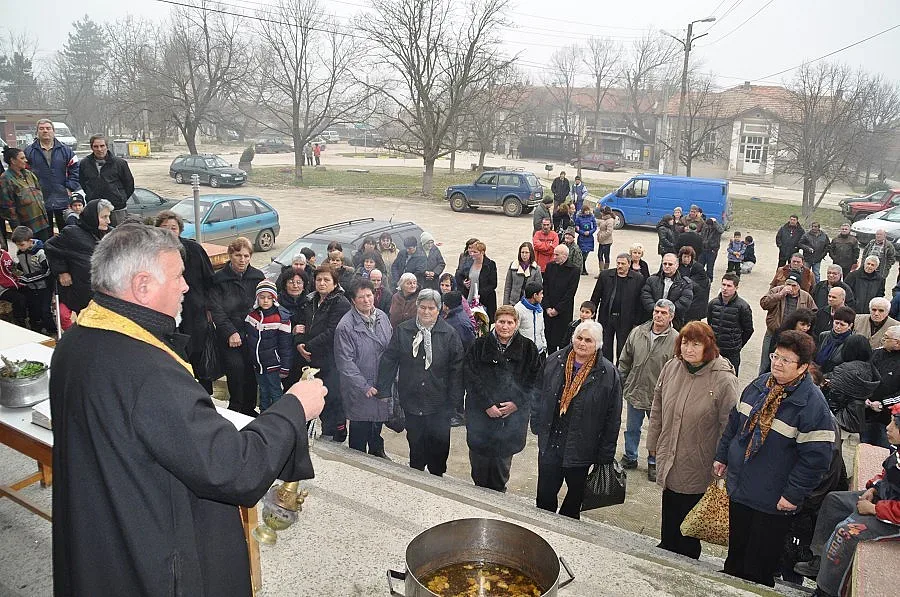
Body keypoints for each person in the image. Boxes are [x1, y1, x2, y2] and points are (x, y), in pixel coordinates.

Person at [49, 224, 325, 597]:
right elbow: (232, 468)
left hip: (105, 539)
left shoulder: (78, 340)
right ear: (143, 285)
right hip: (156, 559)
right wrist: (295, 407)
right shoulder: (146, 370)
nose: (185, 286)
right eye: (178, 276)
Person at [714, 330, 835, 588]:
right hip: (741, 486)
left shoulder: (813, 406)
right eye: (775, 356)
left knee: (758, 567)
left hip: (773, 500)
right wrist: (723, 455)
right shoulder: (759, 385)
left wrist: (792, 495)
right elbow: (734, 424)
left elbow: (815, 461)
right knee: (735, 557)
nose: (777, 363)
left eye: (785, 360)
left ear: (803, 367)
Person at [647, 321, 738, 558]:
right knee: (670, 506)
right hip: (671, 452)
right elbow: (657, 404)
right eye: (685, 343)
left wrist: (722, 460)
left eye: (696, 344)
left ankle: (686, 558)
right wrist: (653, 441)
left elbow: (728, 425)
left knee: (689, 523)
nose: (689, 349)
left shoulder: (723, 378)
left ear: (707, 346)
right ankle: (666, 546)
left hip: (700, 458)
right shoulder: (672, 367)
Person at [791, 407, 900, 597]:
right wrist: (873, 488)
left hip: (892, 519)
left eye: (895, 424)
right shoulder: (897, 449)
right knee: (834, 501)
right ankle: (818, 559)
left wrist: (874, 509)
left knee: (846, 532)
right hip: (884, 499)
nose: (888, 428)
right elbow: (886, 473)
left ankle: (827, 590)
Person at [531, 320, 622, 519]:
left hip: (582, 447)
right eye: (579, 338)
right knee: (545, 497)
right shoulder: (555, 360)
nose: (582, 343)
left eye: (588, 340)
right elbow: (538, 391)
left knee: (574, 500)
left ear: (597, 344)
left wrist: (605, 452)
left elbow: (613, 417)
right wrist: (536, 422)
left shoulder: (608, 374)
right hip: (551, 443)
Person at [377, 289, 464, 476]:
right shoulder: (404, 330)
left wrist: (454, 403)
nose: (426, 312)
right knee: (416, 443)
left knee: (439, 446)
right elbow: (390, 360)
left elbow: (457, 369)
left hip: (439, 401)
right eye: (422, 307)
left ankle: (437, 476)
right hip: (412, 398)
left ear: (439, 310)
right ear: (417, 308)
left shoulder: (449, 334)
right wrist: (383, 389)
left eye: (431, 308)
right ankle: (416, 479)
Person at [463, 305, 541, 492]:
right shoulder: (479, 345)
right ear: (494, 323)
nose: (505, 326)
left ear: (516, 324)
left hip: (510, 420)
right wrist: (487, 404)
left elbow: (535, 380)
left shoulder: (528, 349)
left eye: (509, 322)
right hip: (481, 416)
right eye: (501, 322)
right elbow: (469, 376)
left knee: (500, 469)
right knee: (479, 469)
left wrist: (517, 403)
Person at [155, 211, 216, 393]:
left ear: (180, 230)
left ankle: (204, 395)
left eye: (173, 228)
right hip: (166, 312)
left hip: (194, 311)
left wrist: (209, 307)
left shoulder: (194, 250)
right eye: (164, 228)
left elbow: (210, 281)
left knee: (197, 353)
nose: (169, 232)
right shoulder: (152, 253)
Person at [334, 278, 393, 458]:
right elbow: (345, 362)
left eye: (369, 295)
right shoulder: (345, 326)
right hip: (360, 386)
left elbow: (391, 348)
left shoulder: (382, 316)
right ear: (353, 300)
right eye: (361, 297)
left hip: (381, 381)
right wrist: (363, 386)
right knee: (360, 429)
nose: (366, 300)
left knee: (377, 422)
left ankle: (377, 450)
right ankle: (357, 461)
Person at [618, 299, 678, 473]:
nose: (659, 315)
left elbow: (677, 371)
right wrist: (622, 382)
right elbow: (625, 360)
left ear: (671, 316)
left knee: (657, 431)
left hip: (659, 395)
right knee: (632, 428)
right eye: (656, 311)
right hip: (635, 390)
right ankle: (630, 456)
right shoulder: (637, 332)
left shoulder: (676, 340)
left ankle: (654, 462)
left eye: (663, 313)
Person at [207, 237, 265, 416]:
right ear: (230, 255)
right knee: (235, 370)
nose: (243, 259)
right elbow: (216, 308)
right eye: (238, 255)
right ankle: (236, 407)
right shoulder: (219, 279)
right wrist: (230, 332)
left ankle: (248, 408)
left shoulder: (257, 277)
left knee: (250, 370)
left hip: (252, 332)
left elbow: (263, 304)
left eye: (246, 256)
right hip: (229, 334)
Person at [296, 265, 352, 440]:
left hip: (331, 358)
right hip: (311, 357)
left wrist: (308, 346)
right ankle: (325, 429)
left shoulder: (341, 303)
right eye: (319, 279)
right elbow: (301, 324)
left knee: (333, 395)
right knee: (317, 395)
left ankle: (337, 431)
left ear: (335, 283)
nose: (322, 283)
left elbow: (332, 331)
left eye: (327, 280)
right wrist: (299, 343)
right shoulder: (310, 300)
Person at [45, 198, 113, 315]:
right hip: (83, 292)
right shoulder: (72, 233)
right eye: (104, 217)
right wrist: (62, 271)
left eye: (108, 216)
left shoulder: (111, 234)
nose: (109, 221)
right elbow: (50, 247)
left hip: (107, 292)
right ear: (92, 216)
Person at [23, 118, 80, 233]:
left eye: (48, 128)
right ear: (37, 132)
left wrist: (69, 187)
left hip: (63, 197)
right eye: (42, 129)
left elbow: (75, 169)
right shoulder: (29, 152)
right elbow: (24, 174)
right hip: (40, 200)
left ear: (53, 131)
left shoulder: (66, 150)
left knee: (67, 232)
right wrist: (31, 192)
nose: (45, 131)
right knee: (45, 234)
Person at [245, 280, 294, 411]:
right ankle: (263, 415)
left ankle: (278, 417)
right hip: (258, 364)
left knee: (276, 392)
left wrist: (285, 367)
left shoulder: (281, 319)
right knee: (263, 392)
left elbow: (286, 346)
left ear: (274, 299)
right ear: (257, 298)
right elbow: (249, 338)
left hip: (274, 365)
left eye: (269, 297)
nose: (265, 300)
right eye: (262, 297)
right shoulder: (252, 315)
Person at [759, 272, 817, 374]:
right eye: (788, 284)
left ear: (799, 286)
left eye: (793, 285)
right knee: (767, 362)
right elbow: (764, 304)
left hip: (795, 337)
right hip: (773, 333)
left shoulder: (806, 296)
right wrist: (779, 295)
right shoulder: (777, 290)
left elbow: (813, 312)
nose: (790, 288)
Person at [590, 253, 644, 362]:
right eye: (618, 263)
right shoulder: (605, 275)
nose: (620, 266)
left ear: (629, 264)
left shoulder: (638, 279)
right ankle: (606, 371)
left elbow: (640, 302)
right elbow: (596, 296)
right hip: (607, 318)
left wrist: (637, 322)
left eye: (623, 264)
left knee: (623, 349)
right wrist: (592, 314)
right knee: (605, 348)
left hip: (625, 320)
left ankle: (619, 374)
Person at [78, 134, 135, 226]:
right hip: (95, 208)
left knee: (119, 236)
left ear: (107, 146)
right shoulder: (84, 163)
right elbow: (83, 182)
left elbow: (129, 184)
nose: (99, 149)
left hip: (117, 208)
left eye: (102, 146)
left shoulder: (120, 163)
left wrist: (120, 198)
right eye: (96, 146)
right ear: (91, 148)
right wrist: (91, 194)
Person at [1, 146, 52, 242]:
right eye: (22, 158)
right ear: (13, 161)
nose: (26, 160)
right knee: (30, 254)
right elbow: (8, 208)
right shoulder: (5, 179)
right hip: (26, 226)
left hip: (42, 222)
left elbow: (39, 192)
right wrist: (17, 230)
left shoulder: (29, 174)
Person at [707, 273, 754, 374]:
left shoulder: (743, 307)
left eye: (729, 286)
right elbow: (710, 323)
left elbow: (748, 330)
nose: (725, 288)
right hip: (714, 349)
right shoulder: (713, 303)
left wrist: (737, 345)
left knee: (730, 379)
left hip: (732, 352)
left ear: (736, 288)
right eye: (723, 285)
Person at [11, 226, 53, 334]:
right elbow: (22, 266)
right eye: (17, 245)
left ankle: (52, 330)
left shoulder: (41, 253)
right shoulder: (20, 253)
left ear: (30, 241)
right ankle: (36, 330)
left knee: (45, 311)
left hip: (44, 287)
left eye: (21, 245)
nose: (20, 248)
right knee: (34, 310)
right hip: (30, 287)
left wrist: (28, 278)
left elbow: (46, 271)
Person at [865, 325, 900, 448]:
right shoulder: (876, 353)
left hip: (887, 418)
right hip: (867, 412)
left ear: (897, 342)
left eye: (886, 337)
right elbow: (865, 373)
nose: (882, 340)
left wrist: (882, 404)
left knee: (883, 450)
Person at [542, 244, 581, 353]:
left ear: (565, 256)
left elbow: (570, 293)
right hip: (549, 310)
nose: (554, 257)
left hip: (563, 312)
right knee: (549, 340)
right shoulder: (550, 266)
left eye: (557, 255)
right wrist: (547, 307)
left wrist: (557, 309)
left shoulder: (574, 271)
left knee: (562, 342)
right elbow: (545, 287)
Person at [640, 253, 693, 329]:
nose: (667, 266)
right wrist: (656, 311)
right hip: (652, 319)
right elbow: (646, 295)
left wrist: (668, 313)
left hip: (674, 322)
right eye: (665, 264)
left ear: (676, 265)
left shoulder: (685, 283)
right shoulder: (652, 279)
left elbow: (685, 301)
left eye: (670, 264)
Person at [456, 240, 497, 322]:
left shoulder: (490, 265)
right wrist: (464, 283)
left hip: (484, 301)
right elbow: (460, 274)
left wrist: (480, 294)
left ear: (482, 252)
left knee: (483, 328)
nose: (472, 254)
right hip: (469, 299)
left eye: (475, 252)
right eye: (471, 252)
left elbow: (493, 284)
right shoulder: (469, 263)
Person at [815, 306, 859, 374]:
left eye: (842, 325)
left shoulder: (852, 342)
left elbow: (847, 367)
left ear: (850, 326)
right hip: (818, 372)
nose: (838, 327)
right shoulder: (824, 335)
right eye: (836, 323)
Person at [502, 241, 542, 306]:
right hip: (513, 303)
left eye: (526, 253)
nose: (524, 255)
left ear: (531, 253)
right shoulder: (513, 266)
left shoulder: (536, 269)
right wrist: (506, 304)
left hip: (528, 305)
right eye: (522, 252)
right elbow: (508, 287)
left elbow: (538, 290)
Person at [678, 246, 710, 323]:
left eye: (689, 257)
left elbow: (701, 286)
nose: (686, 259)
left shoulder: (698, 267)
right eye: (685, 256)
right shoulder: (676, 266)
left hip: (695, 304)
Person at [515, 281, 546, 356]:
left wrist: (544, 345)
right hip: (524, 353)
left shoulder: (539, 309)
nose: (543, 296)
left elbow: (542, 330)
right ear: (535, 295)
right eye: (541, 293)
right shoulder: (518, 309)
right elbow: (514, 331)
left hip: (539, 351)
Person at [0, 248, 27, 327]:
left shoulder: (4, 254)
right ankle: (20, 322)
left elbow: (13, 268)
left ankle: (35, 319)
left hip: (13, 283)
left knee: (30, 292)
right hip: (2, 289)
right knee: (19, 299)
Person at [699, 216, 724, 281]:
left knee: (710, 267)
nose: (709, 226)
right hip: (703, 249)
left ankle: (709, 280)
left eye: (710, 225)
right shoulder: (705, 227)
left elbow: (721, 230)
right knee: (700, 266)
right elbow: (702, 235)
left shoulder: (716, 229)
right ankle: (699, 278)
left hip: (712, 250)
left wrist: (715, 222)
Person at [574, 204, 597, 276]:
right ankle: (582, 268)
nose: (587, 212)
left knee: (586, 253)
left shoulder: (592, 217)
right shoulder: (578, 218)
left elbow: (595, 227)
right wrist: (583, 232)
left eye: (588, 210)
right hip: (582, 238)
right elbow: (577, 228)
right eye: (586, 211)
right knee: (582, 254)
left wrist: (589, 232)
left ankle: (583, 266)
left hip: (589, 238)